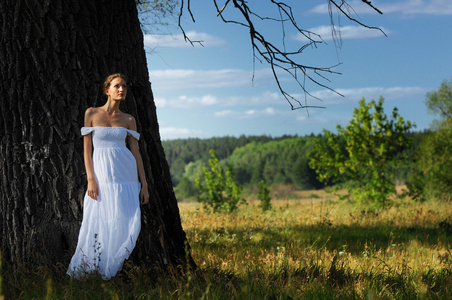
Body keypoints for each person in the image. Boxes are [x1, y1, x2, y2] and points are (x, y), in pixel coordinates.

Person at [67, 73, 149, 280]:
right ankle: (95, 268)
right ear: (107, 90)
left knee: (124, 220)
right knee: (100, 218)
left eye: (124, 86)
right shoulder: (92, 113)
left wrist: (144, 184)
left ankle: (115, 269)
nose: (121, 89)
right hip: (102, 174)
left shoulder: (129, 119)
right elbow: (87, 150)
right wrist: (91, 179)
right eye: (117, 86)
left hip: (126, 175)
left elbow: (136, 153)